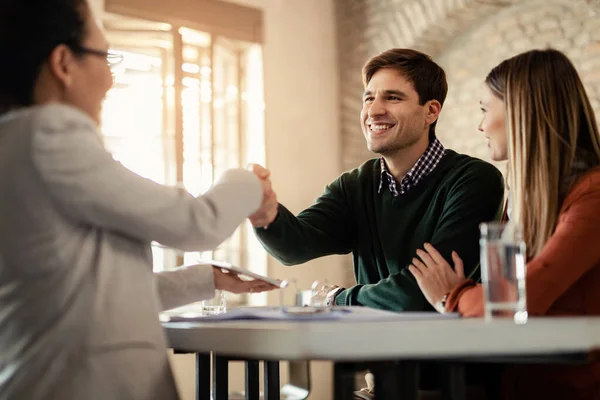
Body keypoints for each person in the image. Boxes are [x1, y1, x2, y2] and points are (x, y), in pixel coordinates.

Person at [0, 0, 277, 399]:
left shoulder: (14, 141)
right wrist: (249, 183)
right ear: (63, 63)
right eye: (105, 56)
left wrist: (207, 279)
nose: (111, 78)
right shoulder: (50, 133)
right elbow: (196, 223)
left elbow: (92, 294)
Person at [249, 48, 504, 312]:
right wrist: (264, 213)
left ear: (431, 112)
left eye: (393, 98)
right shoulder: (354, 186)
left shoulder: (474, 181)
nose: (374, 110)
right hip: (371, 351)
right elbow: (293, 246)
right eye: (368, 98)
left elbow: (419, 295)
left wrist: (338, 298)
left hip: (445, 350)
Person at [409, 48, 600, 399]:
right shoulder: (528, 198)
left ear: (520, 110)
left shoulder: (593, 195)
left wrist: (454, 294)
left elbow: (517, 301)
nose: (480, 125)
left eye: (484, 109)